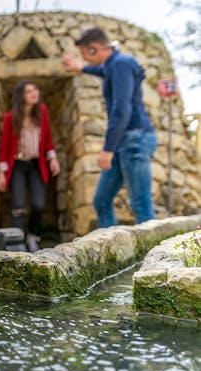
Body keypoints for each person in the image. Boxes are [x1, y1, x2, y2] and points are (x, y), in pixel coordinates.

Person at [61, 27, 157, 228]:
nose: (85, 59)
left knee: (140, 203)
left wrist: (108, 149)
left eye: (85, 54)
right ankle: (111, 250)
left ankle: (155, 256)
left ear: (94, 49)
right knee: (101, 200)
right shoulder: (113, 65)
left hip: (135, 139)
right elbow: (100, 70)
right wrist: (80, 67)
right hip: (124, 140)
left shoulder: (121, 64)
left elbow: (121, 111)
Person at [0, 80, 60, 252]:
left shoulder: (42, 112)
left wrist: (53, 159)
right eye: (29, 91)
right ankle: (17, 243)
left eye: (35, 89)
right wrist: (2, 173)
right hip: (17, 164)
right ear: (21, 96)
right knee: (18, 205)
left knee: (39, 203)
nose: (35, 93)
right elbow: (4, 146)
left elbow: (47, 138)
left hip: (36, 164)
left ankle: (33, 237)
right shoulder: (10, 118)